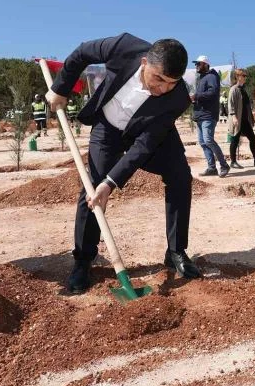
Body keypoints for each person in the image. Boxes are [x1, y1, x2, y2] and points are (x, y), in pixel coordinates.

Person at [45, 33, 200, 294]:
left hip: (149, 133)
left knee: (180, 176)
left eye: (171, 83)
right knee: (93, 186)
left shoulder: (177, 98)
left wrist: (112, 182)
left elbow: (144, 145)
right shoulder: (123, 47)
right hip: (108, 127)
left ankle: (176, 251)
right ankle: (83, 260)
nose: (163, 88)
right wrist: (61, 88)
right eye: (158, 79)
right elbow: (82, 53)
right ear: (144, 62)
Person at [192, 55, 229, 177]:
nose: (196, 66)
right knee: (203, 142)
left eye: (198, 64)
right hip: (200, 114)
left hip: (208, 115)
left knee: (208, 140)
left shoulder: (212, 77)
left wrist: (197, 96)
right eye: (196, 64)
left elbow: (212, 93)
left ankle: (224, 165)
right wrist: (194, 99)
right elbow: (203, 96)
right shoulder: (202, 78)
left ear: (205, 64)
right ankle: (212, 168)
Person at [227, 69, 255, 169]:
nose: (245, 77)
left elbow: (246, 105)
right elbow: (230, 104)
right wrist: (233, 116)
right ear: (238, 77)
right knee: (235, 139)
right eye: (243, 76)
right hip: (237, 119)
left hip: (245, 120)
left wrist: (251, 117)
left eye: (245, 76)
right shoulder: (234, 89)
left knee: (252, 138)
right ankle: (233, 162)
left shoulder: (243, 89)